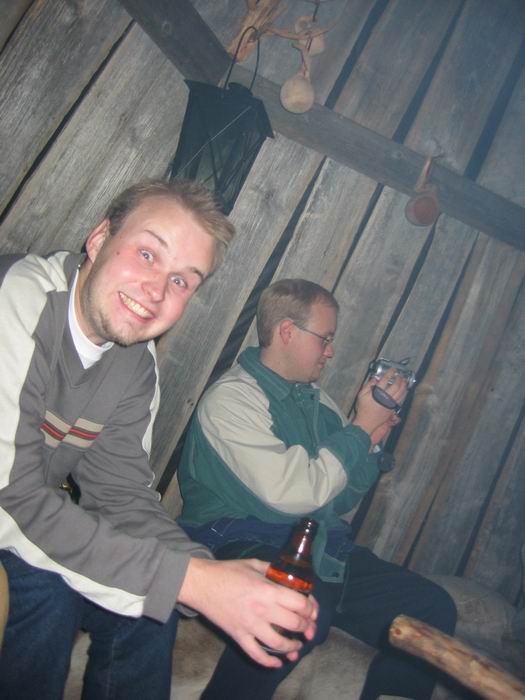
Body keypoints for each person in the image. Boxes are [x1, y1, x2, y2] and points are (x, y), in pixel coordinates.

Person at [0, 183, 317, 700]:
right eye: (147, 254)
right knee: (45, 594)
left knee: (153, 610)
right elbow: (9, 498)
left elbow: (121, 496)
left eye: (182, 280)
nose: (156, 289)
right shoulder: (19, 297)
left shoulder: (133, 363)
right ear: (99, 239)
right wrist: (191, 582)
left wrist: (212, 574)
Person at [178, 278, 458, 700]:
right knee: (301, 605)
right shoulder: (232, 400)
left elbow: (339, 497)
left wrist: (371, 439)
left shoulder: (316, 401)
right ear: (287, 331)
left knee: (431, 608)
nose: (330, 351)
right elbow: (294, 493)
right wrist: (359, 428)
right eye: (324, 339)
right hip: (239, 539)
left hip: (320, 547)